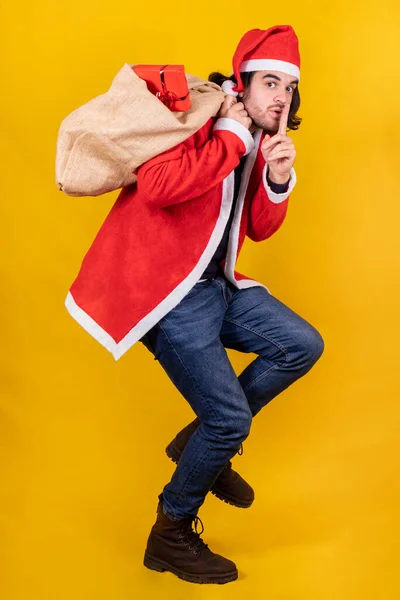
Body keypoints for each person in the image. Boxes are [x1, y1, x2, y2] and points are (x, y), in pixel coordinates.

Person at [137, 25, 325, 584]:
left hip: (218, 285)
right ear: (240, 85)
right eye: (270, 83)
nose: (280, 99)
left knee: (301, 345)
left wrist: (277, 174)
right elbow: (157, 188)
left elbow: (258, 229)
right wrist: (230, 139)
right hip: (172, 294)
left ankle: (199, 443)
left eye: (288, 90)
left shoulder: (257, 138)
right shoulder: (200, 121)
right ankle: (170, 532)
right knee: (230, 420)